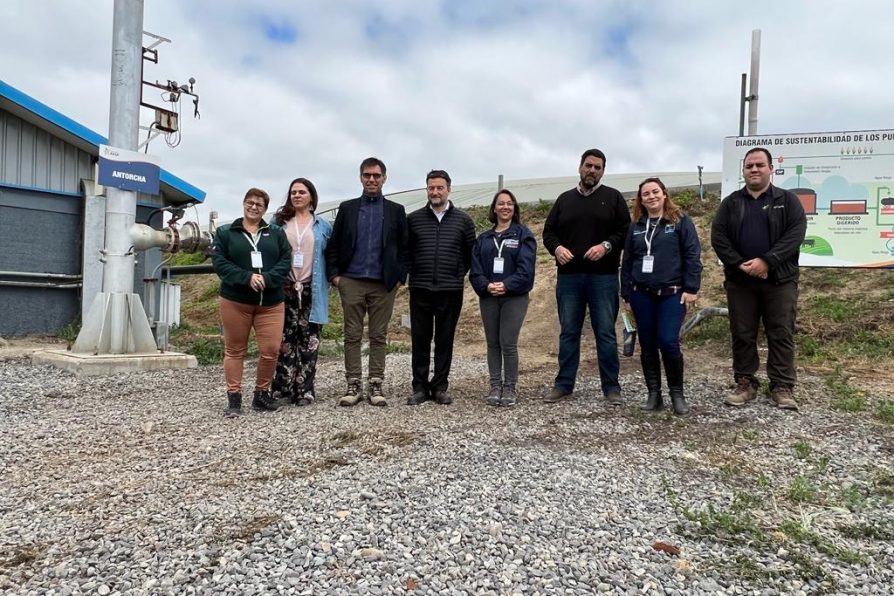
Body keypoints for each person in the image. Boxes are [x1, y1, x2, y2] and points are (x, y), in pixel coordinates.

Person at [711, 147, 807, 410]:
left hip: (780, 281)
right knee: (742, 333)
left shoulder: (788, 201)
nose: (754, 169)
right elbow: (719, 238)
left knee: (781, 332)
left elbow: (795, 234)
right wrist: (742, 264)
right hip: (741, 282)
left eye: (759, 165)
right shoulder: (730, 203)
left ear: (770, 169)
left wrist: (767, 261)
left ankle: (782, 385)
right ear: (743, 170)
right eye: (749, 166)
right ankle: (745, 382)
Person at [542, 148, 631, 405]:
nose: (592, 170)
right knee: (569, 332)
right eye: (588, 165)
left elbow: (624, 231)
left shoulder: (613, 198)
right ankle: (564, 384)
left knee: (605, 333)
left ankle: (611, 388)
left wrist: (606, 246)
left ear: (603, 171)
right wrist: (557, 248)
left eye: (598, 167)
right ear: (580, 166)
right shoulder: (564, 199)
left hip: (603, 278)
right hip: (569, 279)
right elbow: (549, 232)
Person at [325, 157, 409, 407]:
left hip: (383, 284)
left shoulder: (395, 211)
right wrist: (336, 277)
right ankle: (353, 384)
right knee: (351, 334)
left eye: (376, 175)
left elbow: (405, 248)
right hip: (351, 281)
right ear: (360, 177)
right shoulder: (348, 208)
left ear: (384, 178)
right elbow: (334, 246)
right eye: (367, 175)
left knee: (378, 335)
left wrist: (399, 278)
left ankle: (375, 383)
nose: (371, 179)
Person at [621, 178, 702, 415]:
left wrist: (691, 288)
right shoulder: (636, 225)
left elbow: (692, 255)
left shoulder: (680, 221)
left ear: (664, 194)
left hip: (672, 294)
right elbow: (627, 261)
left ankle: (677, 393)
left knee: (667, 341)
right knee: (647, 345)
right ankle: (653, 394)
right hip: (641, 294)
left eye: (655, 192)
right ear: (641, 199)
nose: (651, 196)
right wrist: (626, 292)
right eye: (646, 194)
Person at [212, 188, 292, 417]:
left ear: (265, 209)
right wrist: (246, 277)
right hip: (236, 301)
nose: (254, 207)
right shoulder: (226, 232)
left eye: (259, 204)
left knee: (270, 350)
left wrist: (267, 278)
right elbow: (220, 262)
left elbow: (285, 260)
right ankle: (234, 398)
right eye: (250, 202)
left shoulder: (276, 233)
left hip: (271, 303)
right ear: (244, 204)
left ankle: (261, 394)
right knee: (235, 350)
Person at [406, 170, 477, 406]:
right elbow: (407, 253)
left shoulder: (463, 220)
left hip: (450, 290)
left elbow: (469, 254)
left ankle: (440, 386)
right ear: (427, 189)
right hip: (420, 288)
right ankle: (419, 387)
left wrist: (457, 274)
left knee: (445, 339)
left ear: (449, 189)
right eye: (431, 188)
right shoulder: (414, 219)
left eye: (439, 187)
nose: (435, 192)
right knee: (420, 339)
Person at [469, 189, 537, 407]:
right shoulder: (484, 239)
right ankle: (495, 385)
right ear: (494, 208)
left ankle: (510, 386)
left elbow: (526, 270)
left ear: (514, 207)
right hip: (488, 296)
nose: (505, 207)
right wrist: (486, 286)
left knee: (508, 342)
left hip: (514, 297)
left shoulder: (523, 235)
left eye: (509, 203)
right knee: (492, 343)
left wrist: (506, 285)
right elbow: (475, 270)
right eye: (501, 203)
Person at [270, 178, 332, 406]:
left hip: (311, 288)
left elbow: (331, 254)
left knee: (309, 341)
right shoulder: (278, 223)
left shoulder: (322, 226)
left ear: (311, 196)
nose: (297, 195)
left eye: (302, 192)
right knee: (284, 340)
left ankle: (304, 390)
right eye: (293, 192)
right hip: (284, 287)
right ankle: (282, 388)